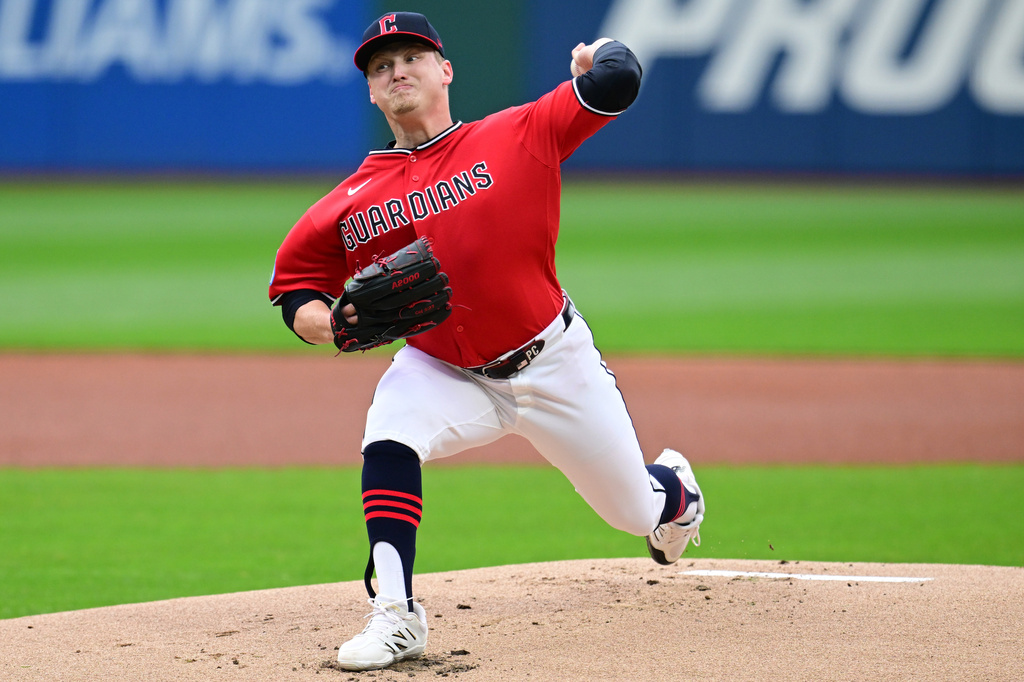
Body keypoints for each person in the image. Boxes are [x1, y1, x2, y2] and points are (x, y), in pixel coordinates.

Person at [268, 11, 705, 672]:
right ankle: (396, 615)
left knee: (632, 511)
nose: (396, 72)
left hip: (554, 363)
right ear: (371, 92)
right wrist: (322, 323)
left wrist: (603, 53)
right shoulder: (349, 201)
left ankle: (674, 489)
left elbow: (618, 82)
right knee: (388, 434)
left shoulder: (519, 132)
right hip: (442, 369)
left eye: (411, 57)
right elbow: (295, 285)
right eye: (381, 66)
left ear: (445, 71)